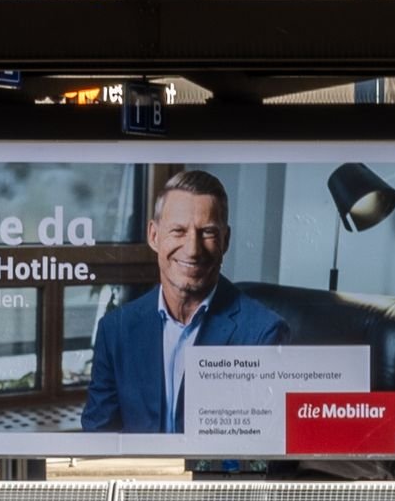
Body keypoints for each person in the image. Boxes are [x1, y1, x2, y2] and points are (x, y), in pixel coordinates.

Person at [78, 169, 290, 434]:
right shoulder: (115, 329)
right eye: (178, 231)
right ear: (154, 236)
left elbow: (260, 451)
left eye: (208, 233)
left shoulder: (263, 333)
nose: (192, 249)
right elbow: (98, 439)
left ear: (225, 240)